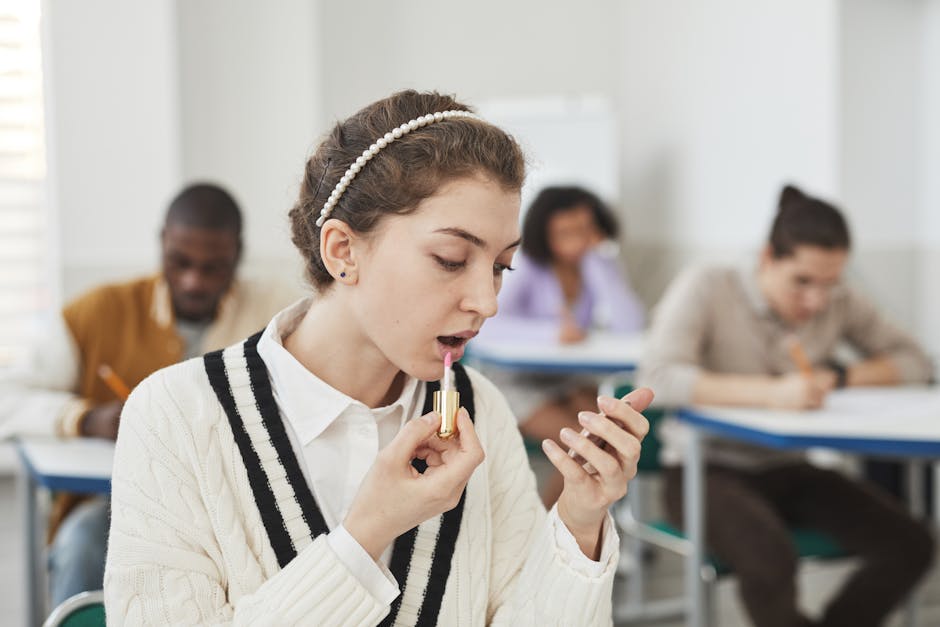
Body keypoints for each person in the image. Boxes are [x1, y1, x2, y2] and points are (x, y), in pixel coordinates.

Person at [103, 90, 652, 626]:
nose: (487, 301)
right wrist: (367, 532)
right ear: (343, 250)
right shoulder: (175, 414)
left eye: (500, 267)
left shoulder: (479, 408)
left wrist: (580, 519)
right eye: (450, 258)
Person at [637, 184, 935, 627]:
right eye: (803, 282)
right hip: (705, 470)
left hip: (788, 468)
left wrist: (842, 376)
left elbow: (917, 362)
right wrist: (771, 392)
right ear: (767, 258)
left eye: (830, 283)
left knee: (912, 543)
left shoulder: (839, 299)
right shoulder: (708, 285)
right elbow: (658, 377)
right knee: (769, 556)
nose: (816, 301)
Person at [0, 182, 298, 607]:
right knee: (84, 543)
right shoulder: (98, 312)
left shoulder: (275, 314)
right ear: (161, 244)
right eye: (179, 262)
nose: (193, 280)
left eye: (212, 267)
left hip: (234, 508)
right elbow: (7, 398)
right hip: (114, 506)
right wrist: (85, 419)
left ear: (237, 254)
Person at [478, 185, 645, 506]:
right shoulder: (528, 267)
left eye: (585, 229)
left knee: (606, 436)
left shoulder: (599, 265)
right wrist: (552, 333)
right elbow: (489, 324)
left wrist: (598, 262)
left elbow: (631, 325)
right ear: (545, 234)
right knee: (587, 446)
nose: (577, 240)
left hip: (566, 378)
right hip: (515, 382)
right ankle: (546, 534)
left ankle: (564, 529)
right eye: (565, 232)